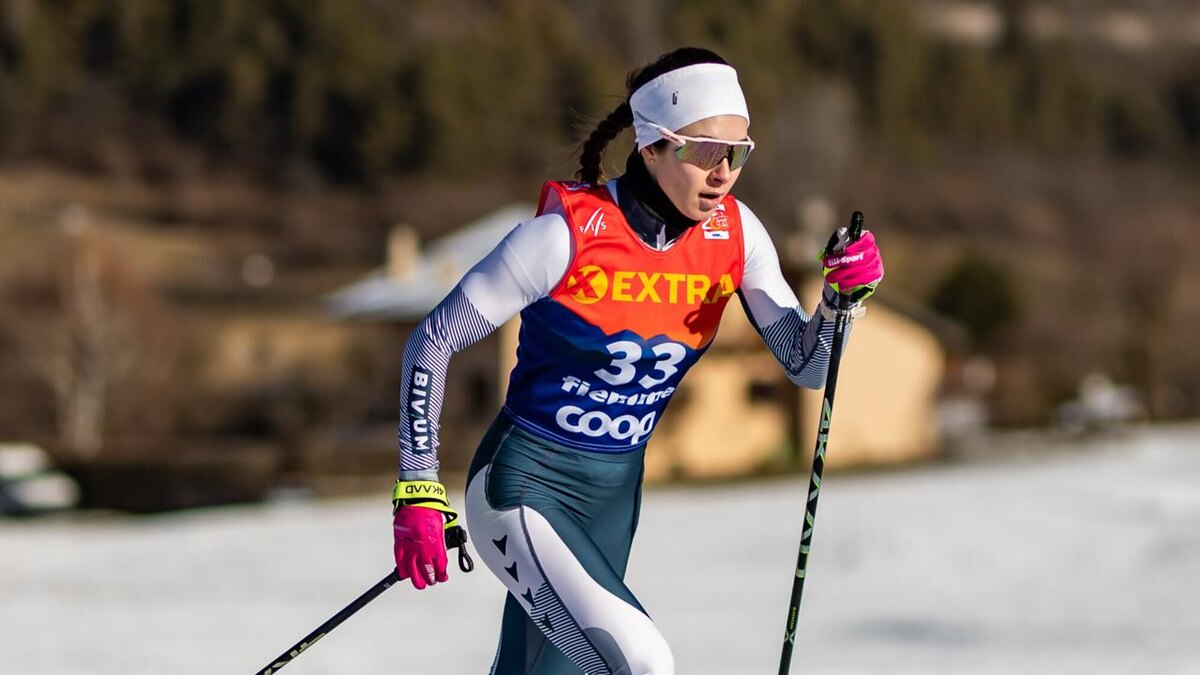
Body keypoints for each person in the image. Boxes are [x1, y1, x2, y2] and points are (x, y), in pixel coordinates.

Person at [389, 47, 884, 674]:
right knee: (643, 661)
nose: (723, 173)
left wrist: (840, 303)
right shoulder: (566, 236)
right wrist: (417, 486)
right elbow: (432, 341)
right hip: (521, 486)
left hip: (613, 496)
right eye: (704, 151)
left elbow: (807, 364)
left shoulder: (735, 235)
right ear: (651, 147)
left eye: (737, 154)